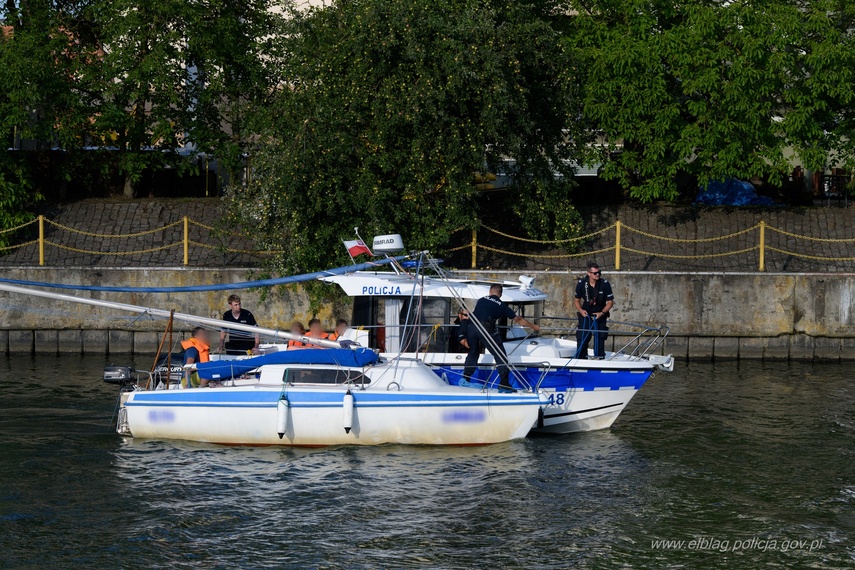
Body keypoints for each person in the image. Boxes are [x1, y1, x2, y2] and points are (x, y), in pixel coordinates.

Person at [463, 284, 540, 391]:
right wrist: (533, 326)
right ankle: (504, 384)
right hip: (485, 328)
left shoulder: (481, 300)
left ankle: (465, 378)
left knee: (473, 352)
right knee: (500, 355)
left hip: (471, 327)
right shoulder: (501, 305)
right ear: (500, 294)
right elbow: (518, 319)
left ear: (490, 292)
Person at [573, 261, 614, 359]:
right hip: (585, 314)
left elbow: (610, 303)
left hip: (600, 314)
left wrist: (602, 313)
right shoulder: (581, 284)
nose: (597, 274)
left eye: (599, 272)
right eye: (595, 273)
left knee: (600, 337)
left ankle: (599, 357)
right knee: (582, 337)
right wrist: (581, 310)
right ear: (589, 273)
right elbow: (576, 300)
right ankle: (581, 358)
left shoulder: (605, 284)